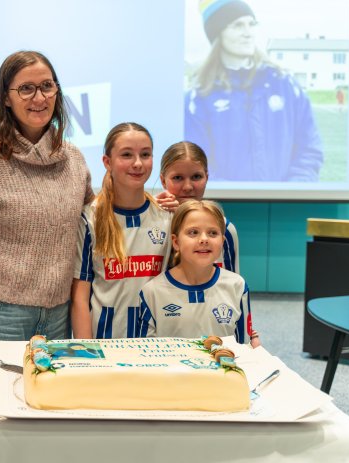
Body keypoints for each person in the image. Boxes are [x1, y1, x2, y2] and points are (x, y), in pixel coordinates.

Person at [0, 50, 93, 347]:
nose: (39, 98)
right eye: (26, 89)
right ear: (6, 98)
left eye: (47, 86)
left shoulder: (74, 160)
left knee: (49, 395)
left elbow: (95, 220)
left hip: (60, 313)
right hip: (0, 314)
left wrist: (157, 201)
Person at [185, 0, 323, 181]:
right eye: (237, 25)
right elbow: (195, 165)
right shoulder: (199, 97)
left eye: (252, 24)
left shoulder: (285, 86)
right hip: (225, 207)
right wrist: (230, 199)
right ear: (218, 33)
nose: (248, 33)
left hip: (286, 204)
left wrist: (292, 191)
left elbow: (309, 149)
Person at [71, 123, 172, 339]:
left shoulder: (166, 217)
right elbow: (80, 298)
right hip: (105, 345)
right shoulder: (90, 218)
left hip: (156, 346)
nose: (138, 163)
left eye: (145, 154)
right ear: (107, 162)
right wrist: (87, 353)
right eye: (127, 155)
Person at [138, 200, 260, 347]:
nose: (204, 239)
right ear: (176, 242)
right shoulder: (152, 292)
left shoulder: (237, 286)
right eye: (193, 232)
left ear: (222, 241)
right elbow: (146, 354)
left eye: (212, 233)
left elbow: (243, 348)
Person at [157, 141, 240, 273]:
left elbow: (233, 287)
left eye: (196, 177)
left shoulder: (224, 227)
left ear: (206, 177)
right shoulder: (152, 225)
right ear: (163, 180)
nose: (188, 187)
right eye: (178, 178)